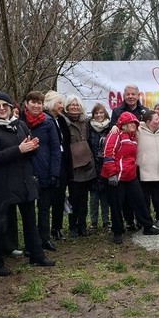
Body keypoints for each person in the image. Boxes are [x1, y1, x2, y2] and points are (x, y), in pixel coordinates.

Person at [0, 92, 54, 275]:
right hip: (3, 182)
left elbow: (30, 152)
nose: (2, 109)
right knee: (0, 224)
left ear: (11, 108)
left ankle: (36, 255)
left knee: (30, 221)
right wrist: (19, 149)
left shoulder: (20, 125)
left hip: (25, 180)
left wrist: (33, 147)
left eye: (5, 105)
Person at [101, 112, 159, 244]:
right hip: (116, 177)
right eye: (130, 123)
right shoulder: (115, 135)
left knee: (139, 201)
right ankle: (117, 231)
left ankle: (147, 226)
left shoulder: (133, 136)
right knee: (116, 205)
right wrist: (111, 174)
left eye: (134, 123)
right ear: (123, 124)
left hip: (130, 175)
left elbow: (149, 123)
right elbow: (108, 153)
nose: (133, 125)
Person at [22, 91, 60, 251]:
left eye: (39, 103)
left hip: (45, 170)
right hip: (26, 172)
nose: (36, 106)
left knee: (44, 208)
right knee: (28, 211)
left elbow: (55, 149)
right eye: (33, 102)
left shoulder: (48, 122)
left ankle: (45, 238)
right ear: (26, 104)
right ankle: (30, 243)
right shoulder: (19, 122)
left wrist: (54, 172)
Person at [63, 95, 96, 237]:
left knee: (84, 198)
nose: (74, 107)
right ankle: (73, 226)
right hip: (72, 165)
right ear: (67, 106)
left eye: (77, 105)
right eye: (72, 104)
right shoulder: (63, 121)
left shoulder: (86, 122)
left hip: (86, 163)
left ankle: (82, 225)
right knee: (74, 197)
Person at [43, 91, 71, 241]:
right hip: (48, 163)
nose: (62, 106)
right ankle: (44, 231)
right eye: (59, 103)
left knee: (60, 196)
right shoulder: (44, 119)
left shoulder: (61, 120)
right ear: (51, 103)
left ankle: (57, 227)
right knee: (48, 199)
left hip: (62, 161)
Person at [137, 110, 159, 227]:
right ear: (148, 121)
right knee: (145, 198)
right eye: (156, 119)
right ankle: (146, 221)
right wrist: (115, 126)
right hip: (144, 170)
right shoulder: (139, 130)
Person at [88, 103, 112, 230]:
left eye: (101, 112)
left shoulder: (110, 128)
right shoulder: (89, 127)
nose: (99, 115)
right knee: (93, 197)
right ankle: (93, 222)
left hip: (105, 164)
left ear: (105, 114)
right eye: (96, 113)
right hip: (92, 165)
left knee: (105, 196)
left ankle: (106, 220)